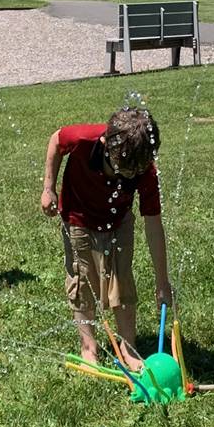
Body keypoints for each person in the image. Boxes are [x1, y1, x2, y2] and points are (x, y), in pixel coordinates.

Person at [41, 104, 171, 369]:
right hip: (78, 216)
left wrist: (162, 282)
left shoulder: (144, 169)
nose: (126, 176)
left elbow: (154, 226)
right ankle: (88, 347)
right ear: (104, 144)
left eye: (132, 173)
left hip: (118, 219)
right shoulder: (83, 139)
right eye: (121, 170)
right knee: (82, 277)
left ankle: (128, 347)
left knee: (122, 277)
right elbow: (56, 140)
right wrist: (48, 188)